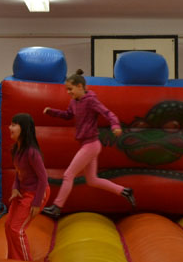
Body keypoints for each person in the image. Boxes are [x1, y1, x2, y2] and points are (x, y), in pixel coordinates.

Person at [41, 69, 135, 218]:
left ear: (80, 86)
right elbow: (67, 115)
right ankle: (124, 191)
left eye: (70, 89)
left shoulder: (91, 101)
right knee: (92, 180)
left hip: (91, 145)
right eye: (67, 90)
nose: (68, 93)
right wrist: (51, 111)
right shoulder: (74, 102)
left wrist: (115, 125)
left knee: (68, 174)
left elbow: (108, 113)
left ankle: (57, 207)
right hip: (87, 145)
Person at [5, 113, 49, 261]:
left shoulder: (32, 152)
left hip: (37, 192)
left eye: (14, 125)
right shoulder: (16, 150)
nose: (9, 127)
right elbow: (19, 173)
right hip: (23, 191)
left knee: (17, 229)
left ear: (23, 128)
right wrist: (15, 188)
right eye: (10, 124)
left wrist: (36, 203)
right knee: (8, 225)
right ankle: (14, 259)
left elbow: (43, 178)